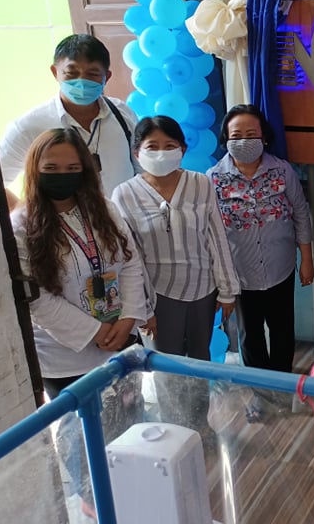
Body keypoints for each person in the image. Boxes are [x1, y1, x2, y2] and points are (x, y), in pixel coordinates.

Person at [11, 127, 148, 517]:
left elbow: (131, 263)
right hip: (66, 356)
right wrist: (95, 331)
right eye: (51, 167)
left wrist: (127, 318)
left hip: (121, 338)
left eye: (72, 166)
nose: (63, 174)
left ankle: (131, 492)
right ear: (35, 170)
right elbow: (36, 297)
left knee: (126, 420)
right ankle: (95, 506)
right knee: (82, 441)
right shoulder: (21, 225)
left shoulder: (103, 208)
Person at [111, 116, 240, 426]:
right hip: (158, 297)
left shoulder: (199, 183)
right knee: (166, 369)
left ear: (182, 149)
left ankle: (200, 425)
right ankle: (174, 429)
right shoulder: (124, 194)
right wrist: (143, 309)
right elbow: (130, 259)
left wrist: (227, 290)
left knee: (199, 363)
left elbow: (215, 236)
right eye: (151, 146)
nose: (160, 153)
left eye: (169, 146)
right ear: (136, 152)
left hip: (202, 291)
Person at [207, 105, 314, 374]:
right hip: (240, 274)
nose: (244, 140)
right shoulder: (213, 179)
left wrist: (307, 259)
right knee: (249, 336)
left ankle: (282, 385)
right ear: (226, 139)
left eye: (251, 133)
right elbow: (209, 232)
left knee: (283, 331)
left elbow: (301, 212)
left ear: (264, 136)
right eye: (236, 134)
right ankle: (261, 394)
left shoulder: (282, 171)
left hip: (281, 268)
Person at [0, 34, 137, 208]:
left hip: (122, 226)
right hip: (64, 232)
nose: (81, 82)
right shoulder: (29, 127)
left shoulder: (122, 114)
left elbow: (142, 172)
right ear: (55, 72)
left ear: (106, 77)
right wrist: (24, 215)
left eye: (92, 74)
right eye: (71, 73)